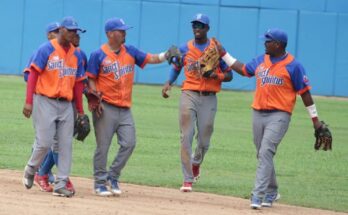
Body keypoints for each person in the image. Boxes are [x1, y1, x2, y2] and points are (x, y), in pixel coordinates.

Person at [218, 28, 327, 209]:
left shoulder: (294, 65)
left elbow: (305, 94)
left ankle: (257, 195)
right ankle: (272, 191)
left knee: (266, 151)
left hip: (279, 115)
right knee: (262, 153)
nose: (264, 43)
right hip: (258, 113)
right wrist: (223, 53)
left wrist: (315, 121)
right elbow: (243, 70)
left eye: (267, 41)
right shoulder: (261, 59)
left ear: (277, 44)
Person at [86, 17, 177, 196]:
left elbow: (150, 58)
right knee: (103, 147)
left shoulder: (130, 51)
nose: (124, 33)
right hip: (105, 107)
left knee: (129, 143)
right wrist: (95, 99)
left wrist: (166, 54)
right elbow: (91, 78)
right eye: (121, 30)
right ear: (110, 34)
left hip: (125, 108)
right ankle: (99, 183)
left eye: (124, 30)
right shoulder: (98, 54)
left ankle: (113, 175)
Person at [161, 13, 232, 192]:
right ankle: (187, 179)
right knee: (186, 136)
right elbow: (176, 67)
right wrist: (169, 82)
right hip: (189, 93)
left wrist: (217, 75)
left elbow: (230, 75)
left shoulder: (216, 49)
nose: (197, 28)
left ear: (207, 28)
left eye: (201, 25)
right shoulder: (185, 48)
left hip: (209, 97)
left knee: (204, 139)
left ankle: (196, 163)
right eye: (194, 25)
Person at [22, 16, 86, 198]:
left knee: (65, 145)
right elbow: (33, 74)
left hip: (66, 104)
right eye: (71, 30)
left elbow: (79, 84)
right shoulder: (46, 49)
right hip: (45, 101)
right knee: (44, 143)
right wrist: (29, 101)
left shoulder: (77, 54)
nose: (74, 34)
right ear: (61, 31)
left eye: (76, 31)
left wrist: (80, 111)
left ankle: (61, 184)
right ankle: (31, 169)